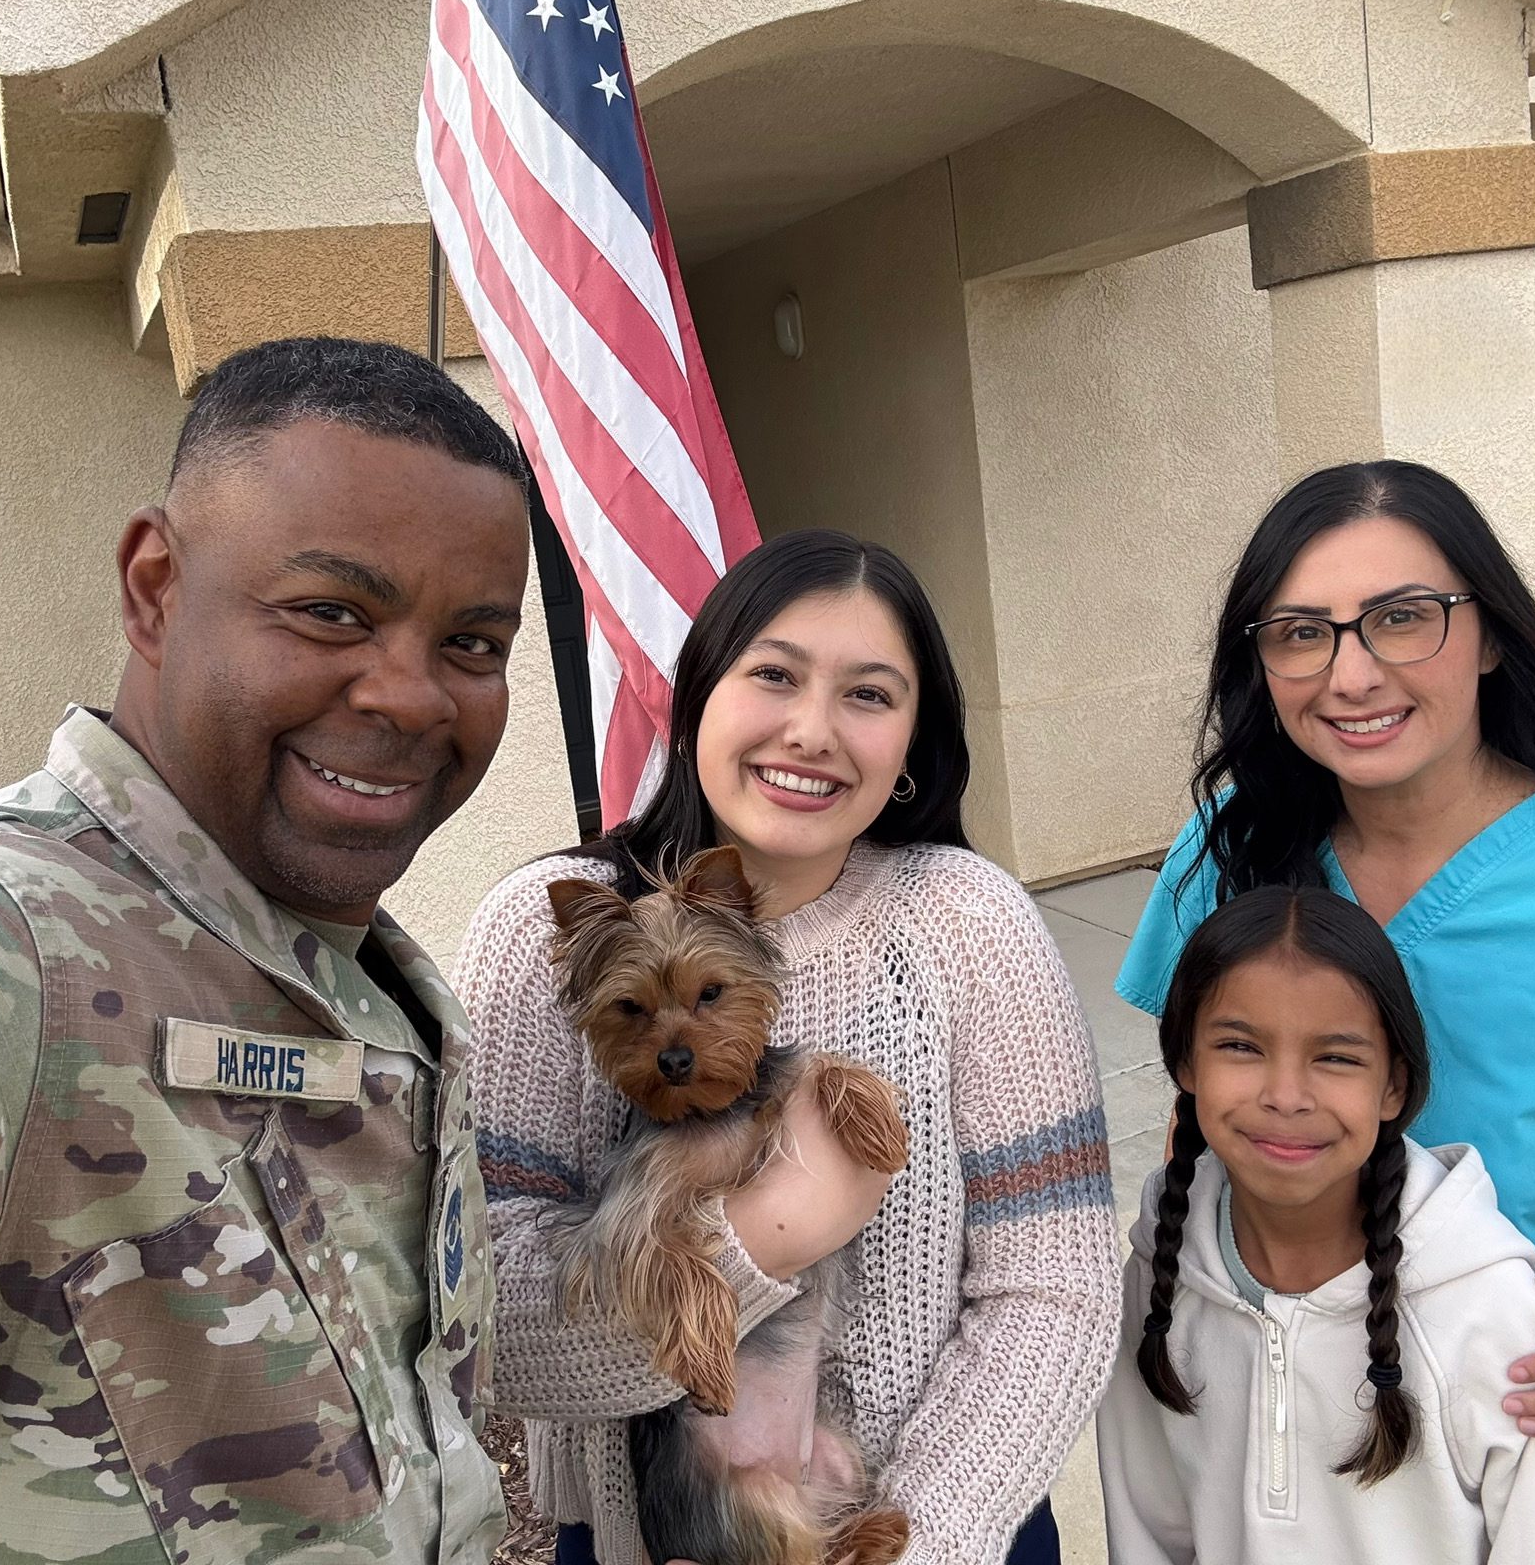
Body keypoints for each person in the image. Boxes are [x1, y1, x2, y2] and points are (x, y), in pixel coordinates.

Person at [0, 337, 533, 1564]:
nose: (410, 695)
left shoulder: (373, 983)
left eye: (472, 643)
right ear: (152, 587)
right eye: (331, 610)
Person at [1114, 460, 1535, 1563]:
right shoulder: (1225, 855)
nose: (1349, 672)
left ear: (1489, 635)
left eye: (1400, 618)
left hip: (1525, 1467)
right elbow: (1198, 1118)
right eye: (1299, 631)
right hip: (1270, 1461)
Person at [455, 529, 1121, 1565]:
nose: (811, 730)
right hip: (654, 1535)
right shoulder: (537, 933)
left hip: (938, 1530)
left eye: (868, 693)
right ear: (695, 698)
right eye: (772, 674)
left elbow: (1055, 1286)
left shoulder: (968, 922)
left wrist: (921, 1543)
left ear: (912, 743)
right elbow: (491, 1321)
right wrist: (765, 1233)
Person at [1097, 885, 1535, 1564]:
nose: (1286, 1096)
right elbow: (1149, 1536)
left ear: (1395, 1086)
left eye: (1337, 1057)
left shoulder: (1488, 1311)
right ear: (1185, 1065)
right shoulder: (1159, 1279)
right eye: (1240, 1046)